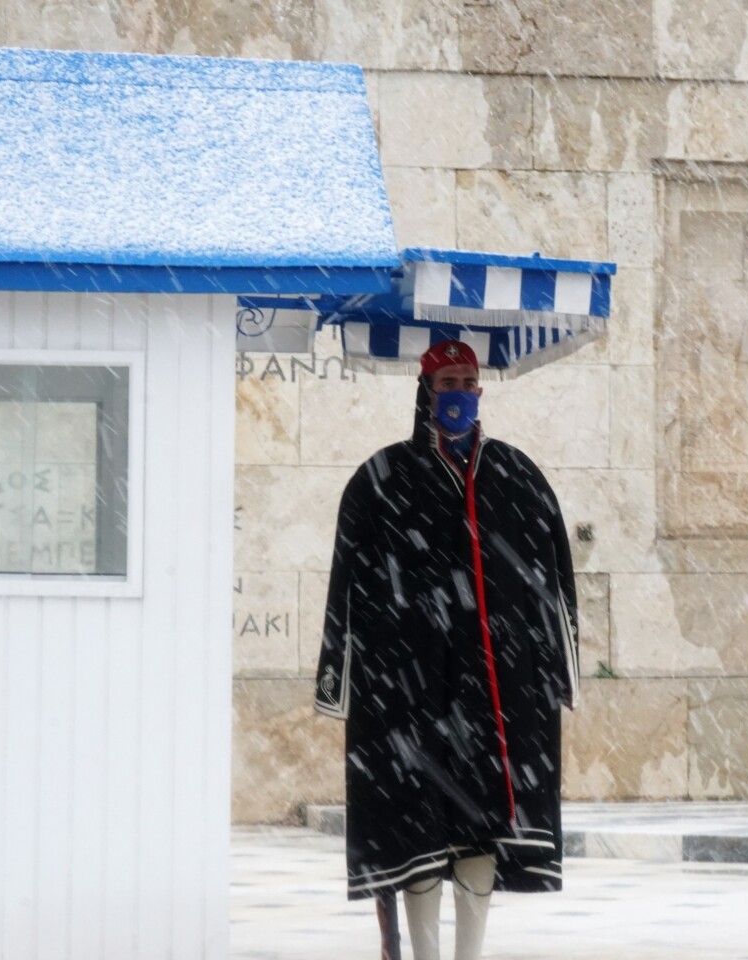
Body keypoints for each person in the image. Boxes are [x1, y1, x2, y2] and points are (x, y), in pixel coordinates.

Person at [314, 339, 580, 960]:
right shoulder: (381, 481)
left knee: (482, 828)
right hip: (409, 693)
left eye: (468, 382)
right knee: (417, 828)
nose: (459, 394)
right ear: (425, 390)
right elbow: (345, 588)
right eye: (447, 382)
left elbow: (557, 582)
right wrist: (341, 681)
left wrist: (560, 675)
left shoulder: (518, 476)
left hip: (495, 693)